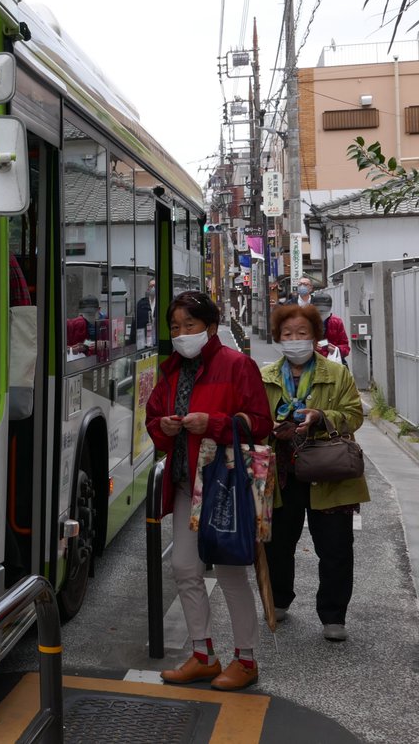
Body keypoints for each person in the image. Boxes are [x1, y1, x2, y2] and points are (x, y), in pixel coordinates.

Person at [145, 291, 273, 690]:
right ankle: (203, 655)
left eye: (190, 325)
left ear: (211, 328)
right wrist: (163, 426)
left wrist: (213, 424)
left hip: (225, 484)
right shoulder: (170, 371)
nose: (182, 334)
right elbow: (152, 417)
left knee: (231, 571)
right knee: (184, 568)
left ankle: (246, 660)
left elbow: (260, 423)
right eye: (175, 327)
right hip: (186, 483)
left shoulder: (237, 365)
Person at [261, 303, 367, 642]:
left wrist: (321, 417)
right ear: (278, 338)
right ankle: (279, 599)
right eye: (287, 334)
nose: (295, 340)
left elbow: (354, 415)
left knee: (335, 545)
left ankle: (334, 615)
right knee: (278, 543)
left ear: (315, 336)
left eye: (302, 333)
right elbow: (253, 418)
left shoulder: (336, 374)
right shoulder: (266, 376)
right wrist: (270, 428)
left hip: (328, 468)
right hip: (281, 473)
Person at [309, 292, 350, 361]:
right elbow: (299, 345)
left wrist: (337, 349)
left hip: (332, 362)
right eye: (319, 309)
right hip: (312, 362)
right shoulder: (306, 322)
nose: (322, 312)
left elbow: (345, 347)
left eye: (324, 309)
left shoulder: (336, 322)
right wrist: (310, 347)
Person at [130, 279, 157, 345]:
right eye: (151, 286)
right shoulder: (141, 304)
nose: (153, 288)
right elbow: (136, 323)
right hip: (143, 340)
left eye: (155, 286)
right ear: (148, 289)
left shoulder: (162, 303)